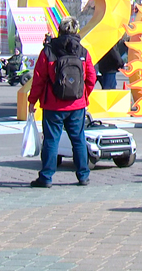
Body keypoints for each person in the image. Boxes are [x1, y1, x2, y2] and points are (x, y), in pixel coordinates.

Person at [28, 16, 97, 188]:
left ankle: (46, 177)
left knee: (51, 140)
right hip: (77, 105)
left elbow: (38, 79)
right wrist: (84, 95)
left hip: (53, 105)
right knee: (79, 139)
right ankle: (83, 176)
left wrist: (32, 101)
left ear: (59, 29)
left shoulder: (48, 51)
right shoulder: (83, 52)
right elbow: (91, 77)